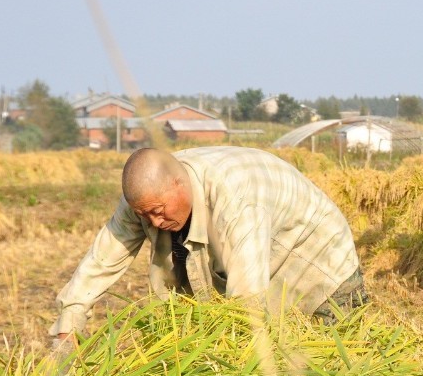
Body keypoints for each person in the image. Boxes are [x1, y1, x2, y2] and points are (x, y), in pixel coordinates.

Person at [51, 146, 365, 342]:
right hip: (264, 264)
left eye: (158, 213)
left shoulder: (236, 200)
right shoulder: (147, 196)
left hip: (316, 263)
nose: (155, 223)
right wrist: (70, 324)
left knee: (328, 375)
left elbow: (246, 303)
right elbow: (102, 258)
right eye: (144, 215)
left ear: (179, 183)